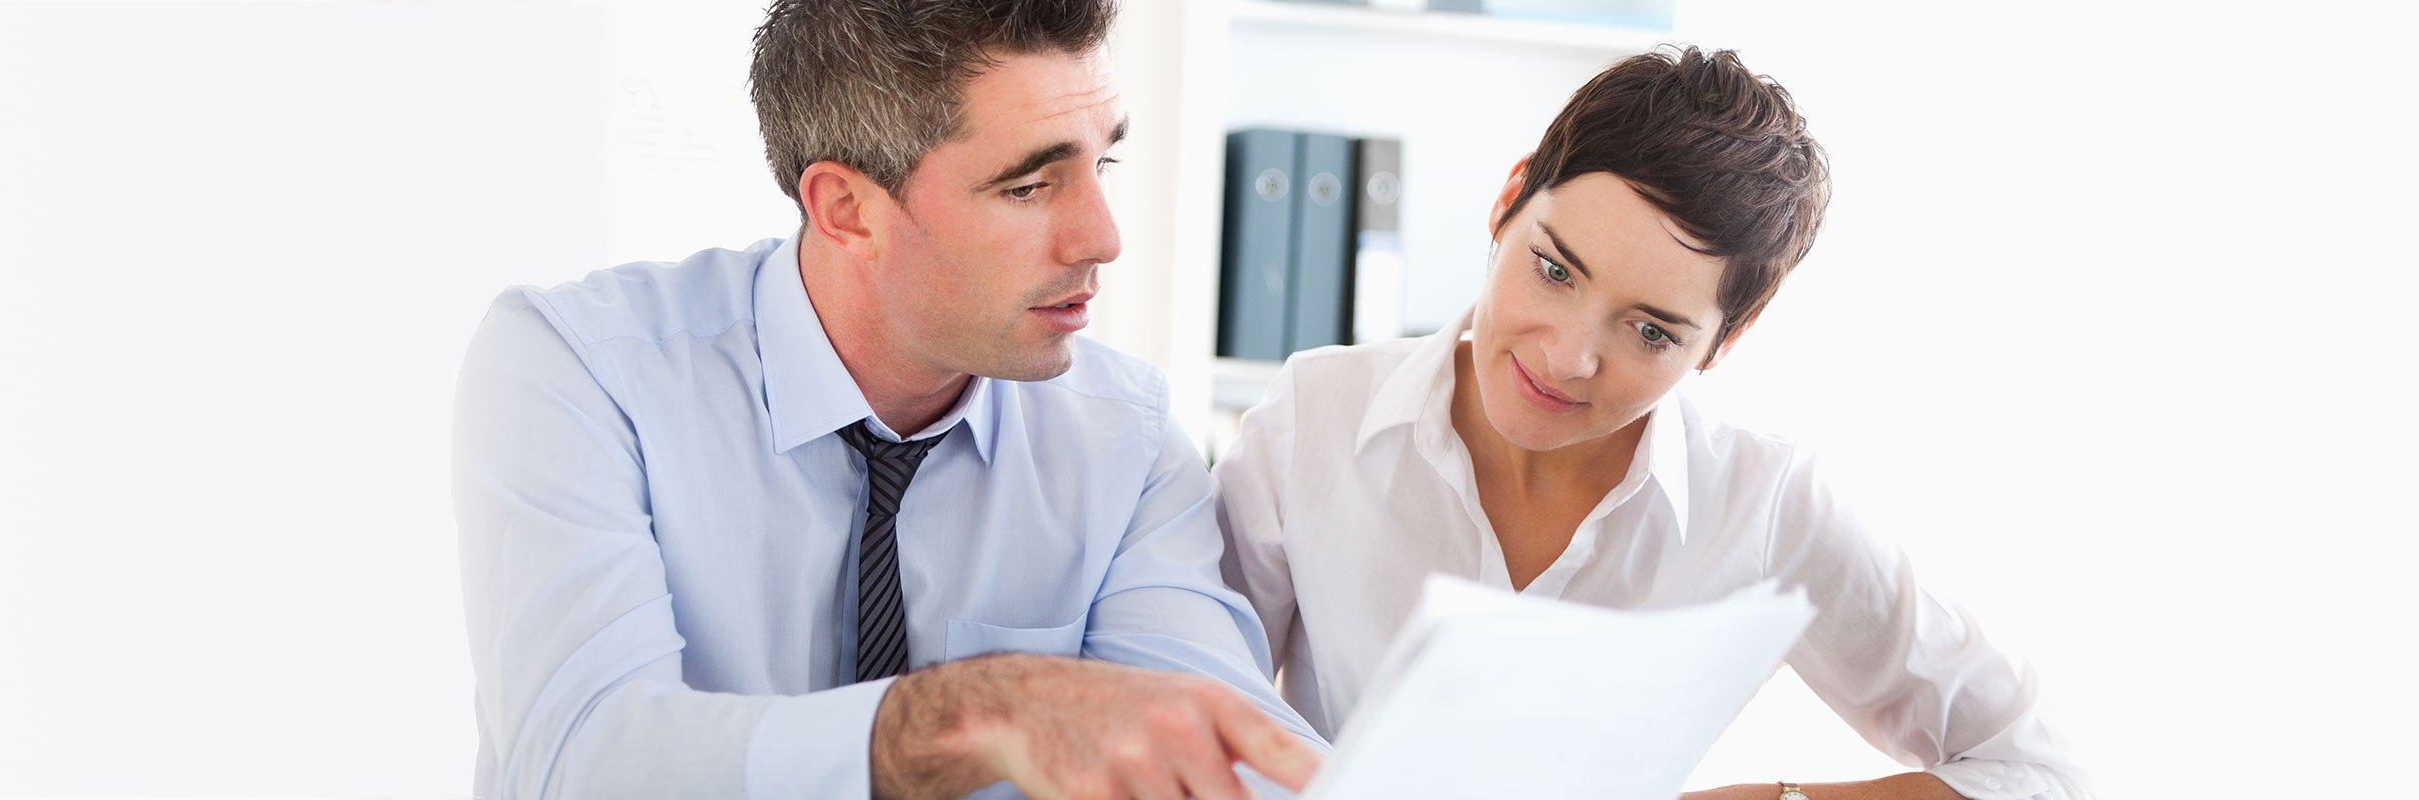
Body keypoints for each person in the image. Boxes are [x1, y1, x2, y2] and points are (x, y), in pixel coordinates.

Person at [454, 1, 1319, 798]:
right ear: (846, 210)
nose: (1103, 237)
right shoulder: (580, 369)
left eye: (1105, 163)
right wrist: (981, 712)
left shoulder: (1124, 442)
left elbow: (1234, 756)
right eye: (1027, 187)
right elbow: (578, 760)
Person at [1212, 47, 2090, 800]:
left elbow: (2037, 771)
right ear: (1511, 199)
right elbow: (1173, 701)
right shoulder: (1312, 420)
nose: (1565, 358)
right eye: (1554, 270)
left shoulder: (1764, 503)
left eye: (1650, 331)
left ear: (1727, 339)